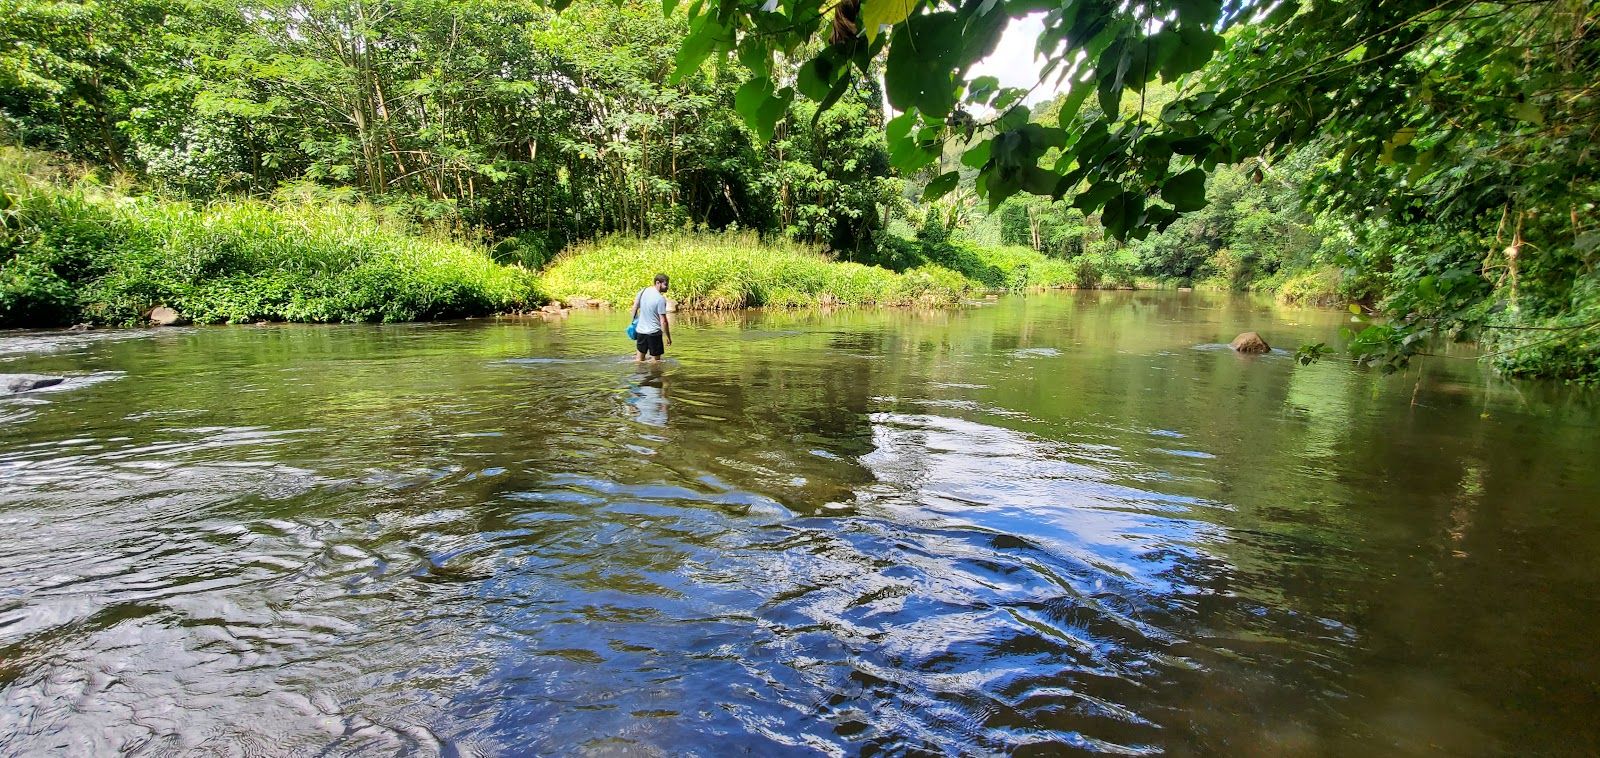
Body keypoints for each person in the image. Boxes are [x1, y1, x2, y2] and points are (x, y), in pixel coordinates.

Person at [631, 273, 672, 362]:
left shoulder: (643, 291)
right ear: (658, 283)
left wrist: (634, 324)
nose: (667, 287)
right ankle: (655, 376)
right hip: (654, 333)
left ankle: (639, 375)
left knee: (639, 359)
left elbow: (634, 308)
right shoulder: (660, 299)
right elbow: (663, 321)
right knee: (656, 361)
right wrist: (668, 336)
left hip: (641, 332)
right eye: (665, 284)